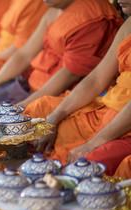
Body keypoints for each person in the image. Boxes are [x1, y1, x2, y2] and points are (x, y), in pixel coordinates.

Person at [23, 0, 131, 177]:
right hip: (108, 111)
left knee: (89, 165)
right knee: (43, 122)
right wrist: (55, 117)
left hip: (124, 124)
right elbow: (96, 79)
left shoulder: (90, 15)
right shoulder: (129, 25)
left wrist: (93, 143)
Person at [0, 0, 122, 112]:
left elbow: (69, 75)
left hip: (65, 93)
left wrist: (22, 106)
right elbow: (25, 53)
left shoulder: (90, 18)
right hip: (34, 83)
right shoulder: (55, 9)